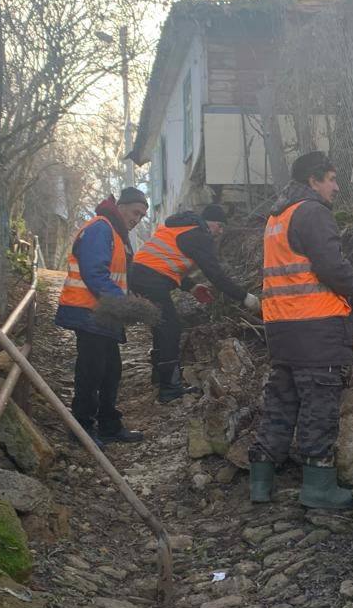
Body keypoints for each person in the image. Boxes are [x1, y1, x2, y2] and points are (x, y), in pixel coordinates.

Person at [249, 151, 353, 510]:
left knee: (281, 401)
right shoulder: (312, 212)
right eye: (331, 179)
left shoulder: (277, 216)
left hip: (281, 326)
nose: (336, 187)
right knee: (319, 404)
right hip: (316, 327)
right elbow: (332, 267)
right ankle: (318, 487)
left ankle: (261, 481)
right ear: (313, 180)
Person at [130, 202, 259, 403]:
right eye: (220, 226)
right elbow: (216, 275)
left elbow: (164, 263)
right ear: (212, 223)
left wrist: (191, 287)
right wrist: (245, 297)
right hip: (151, 280)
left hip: (140, 274)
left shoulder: (180, 228)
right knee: (170, 328)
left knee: (161, 325)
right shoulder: (200, 235)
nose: (220, 232)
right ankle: (169, 389)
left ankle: (160, 378)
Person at [55, 187, 149, 447]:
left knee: (110, 371)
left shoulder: (115, 233)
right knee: (91, 372)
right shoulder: (101, 228)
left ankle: (108, 425)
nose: (137, 219)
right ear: (121, 206)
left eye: (142, 216)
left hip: (101, 314)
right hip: (89, 312)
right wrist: (124, 304)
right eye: (135, 213)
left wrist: (128, 298)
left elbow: (113, 276)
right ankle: (81, 430)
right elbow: (94, 273)